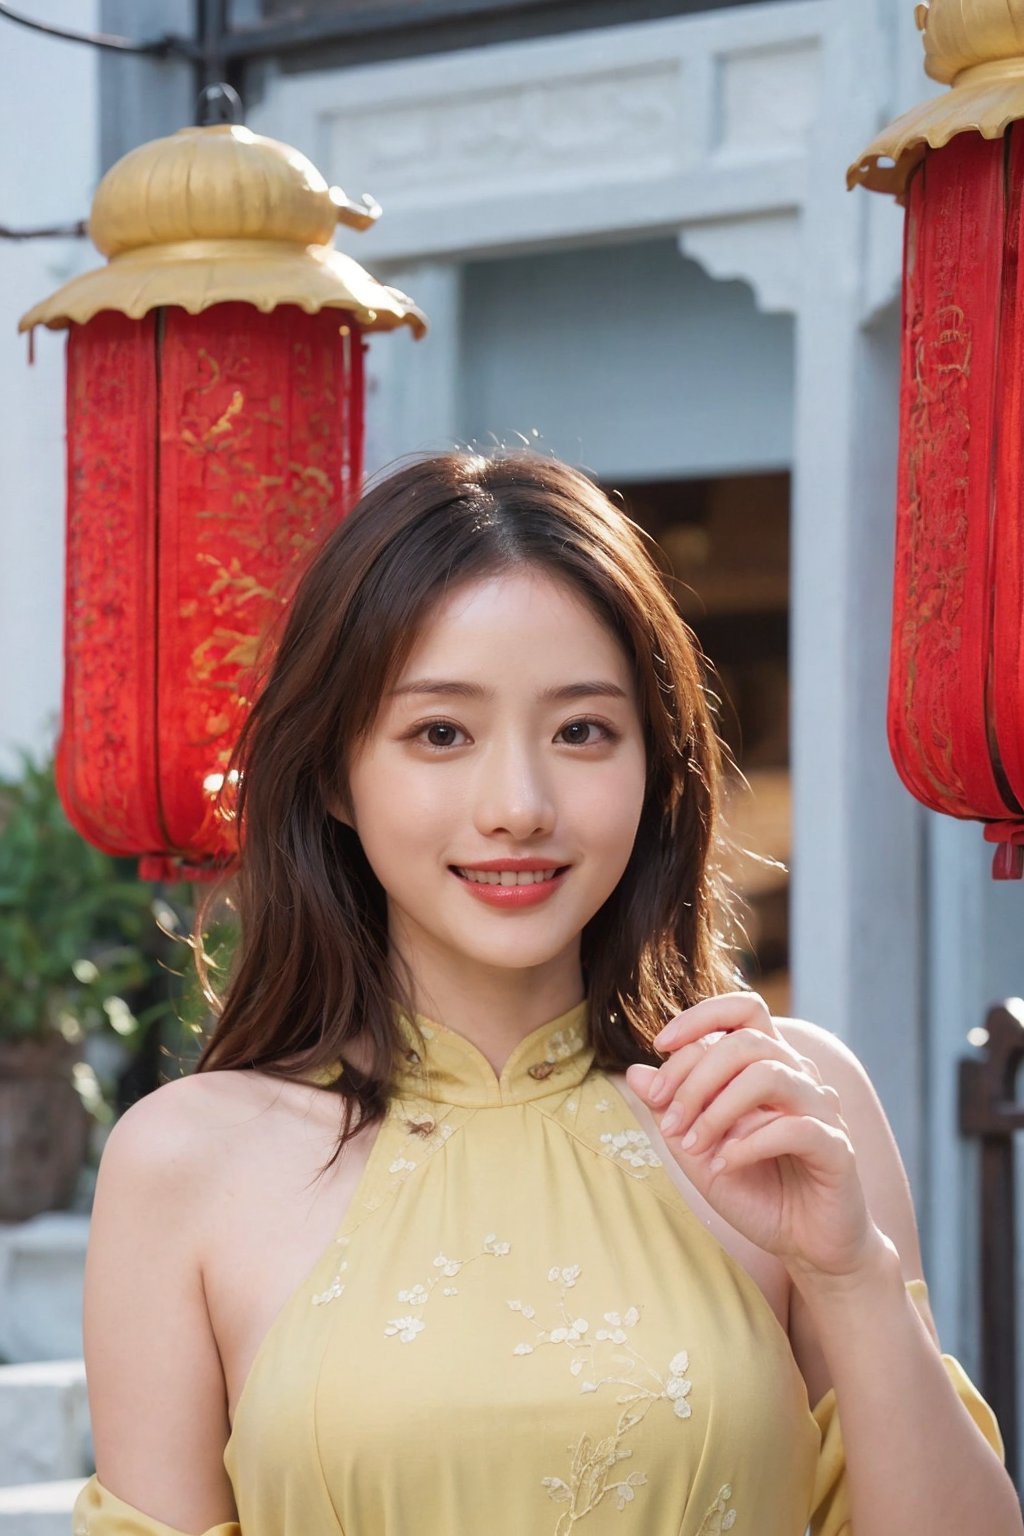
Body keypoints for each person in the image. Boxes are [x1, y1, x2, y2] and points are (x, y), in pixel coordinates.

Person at [74, 451, 1017, 1536]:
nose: (518, 805)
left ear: (657, 766)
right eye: (440, 733)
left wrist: (849, 1275)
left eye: (581, 731)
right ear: (334, 773)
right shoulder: (183, 1166)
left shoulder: (787, 1110)